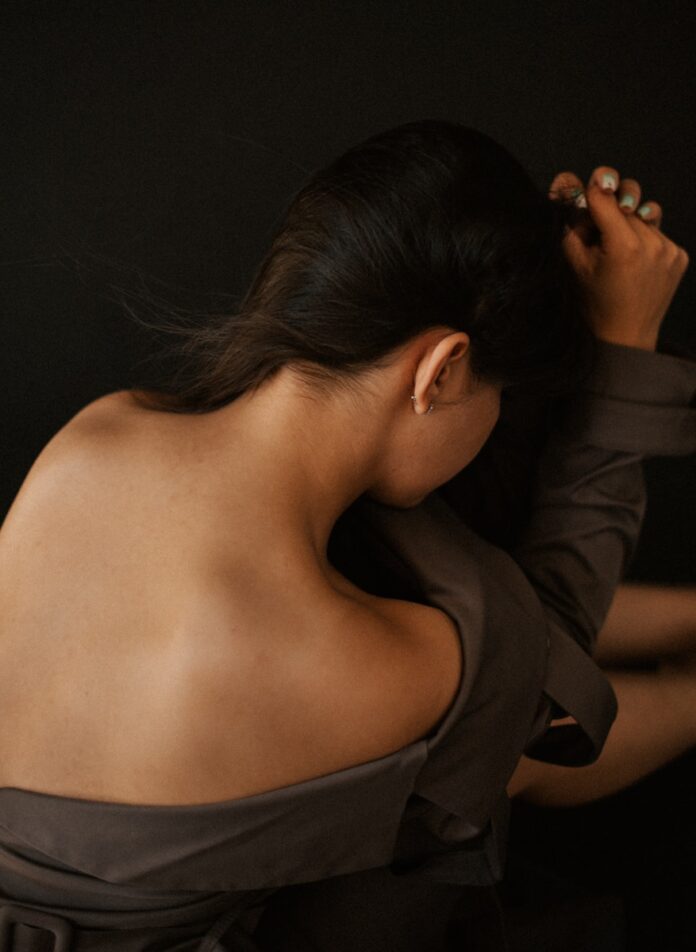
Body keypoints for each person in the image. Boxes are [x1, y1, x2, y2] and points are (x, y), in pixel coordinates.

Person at [0, 119, 692, 951]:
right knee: (495, 773)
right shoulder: (343, 657)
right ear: (441, 370)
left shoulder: (104, 435)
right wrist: (625, 349)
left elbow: (489, 638)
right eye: (499, 392)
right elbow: (544, 689)